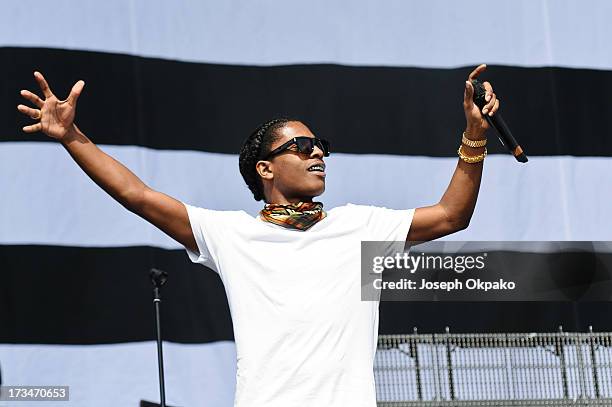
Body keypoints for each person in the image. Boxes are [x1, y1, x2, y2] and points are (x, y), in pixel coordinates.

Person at [17, 64, 499, 407]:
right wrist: (72, 137)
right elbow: (138, 196)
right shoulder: (231, 235)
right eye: (302, 146)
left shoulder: (360, 226)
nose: (318, 155)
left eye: (321, 147)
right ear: (265, 168)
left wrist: (474, 135)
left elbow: (452, 215)